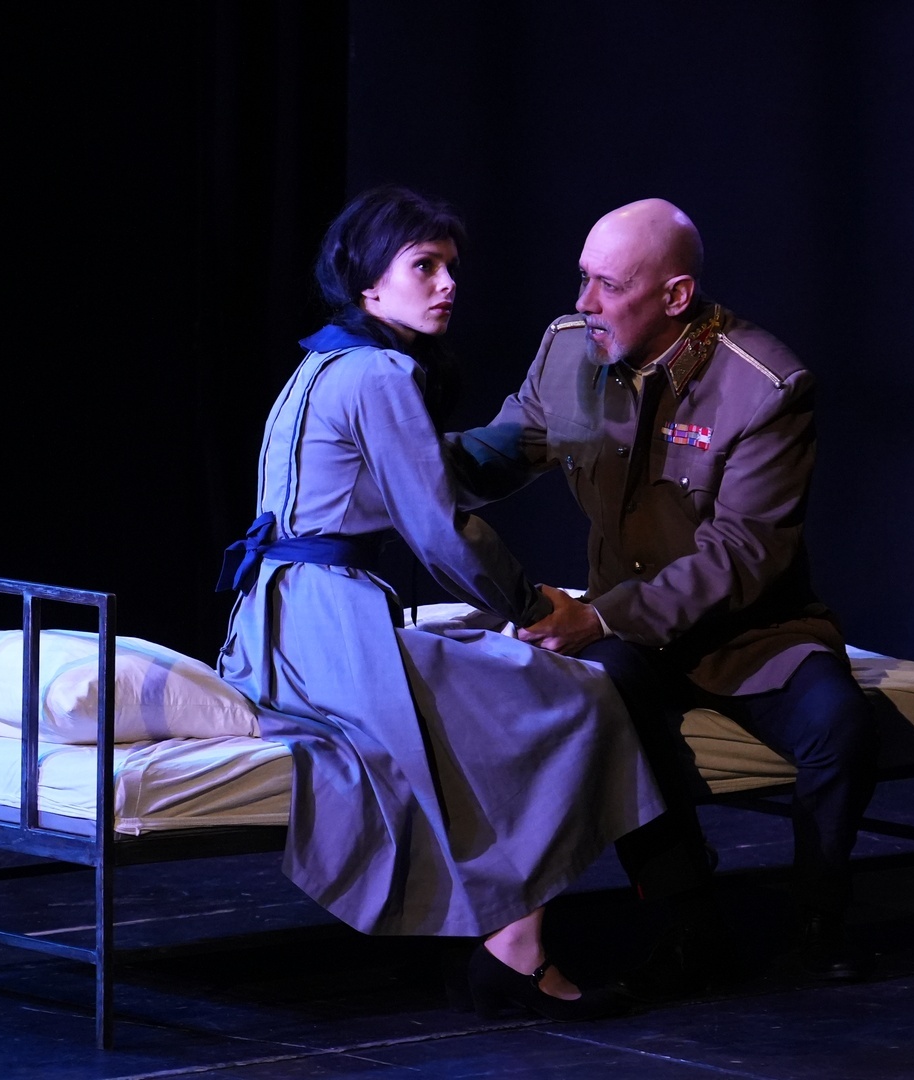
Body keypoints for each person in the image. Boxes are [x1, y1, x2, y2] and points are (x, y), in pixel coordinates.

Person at [215, 185, 666, 1021]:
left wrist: (542, 438)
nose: (448, 284)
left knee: (500, 679)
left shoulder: (323, 365)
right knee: (576, 698)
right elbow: (439, 531)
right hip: (331, 635)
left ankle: (502, 937)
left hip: (281, 625)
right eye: (423, 266)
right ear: (367, 284)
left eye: (451, 267)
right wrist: (530, 604)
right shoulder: (379, 374)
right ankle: (518, 946)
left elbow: (439, 471)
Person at [449, 198, 880, 992]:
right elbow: (501, 452)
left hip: (751, 633)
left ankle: (821, 922)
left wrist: (599, 614)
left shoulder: (764, 386)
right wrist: (397, 456)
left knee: (838, 725)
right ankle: (690, 924)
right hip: (631, 634)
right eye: (583, 278)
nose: (585, 302)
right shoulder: (573, 350)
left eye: (608, 286)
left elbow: (742, 555)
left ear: (676, 296)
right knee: (607, 705)